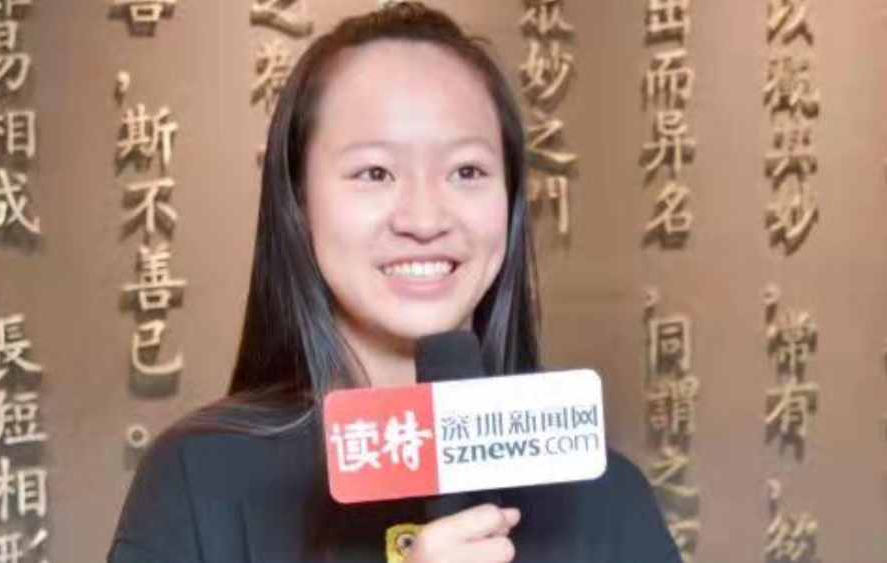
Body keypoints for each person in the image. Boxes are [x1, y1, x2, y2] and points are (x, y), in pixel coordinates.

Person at [108, 3, 681, 563]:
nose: (425, 220)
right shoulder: (198, 479)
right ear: (299, 200)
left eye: (467, 171)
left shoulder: (607, 497)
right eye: (375, 172)